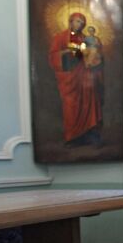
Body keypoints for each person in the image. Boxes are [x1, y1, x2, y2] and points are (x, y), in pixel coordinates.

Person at [47, 12, 103, 146]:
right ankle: (73, 137)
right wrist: (67, 52)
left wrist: (92, 55)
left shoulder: (85, 38)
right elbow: (53, 56)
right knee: (71, 105)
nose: (80, 25)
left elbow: (91, 54)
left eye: (82, 23)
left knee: (89, 104)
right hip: (69, 77)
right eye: (77, 21)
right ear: (70, 21)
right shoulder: (60, 37)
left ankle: (90, 134)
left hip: (84, 76)